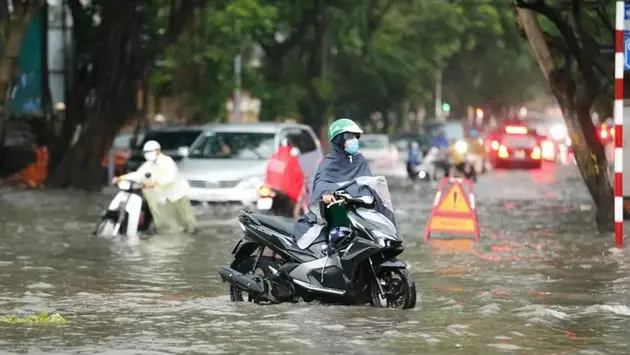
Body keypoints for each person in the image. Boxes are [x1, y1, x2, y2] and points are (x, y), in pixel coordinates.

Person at [294, 118, 374, 243]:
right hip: (337, 211)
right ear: (339, 140)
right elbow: (322, 182)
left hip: (358, 210)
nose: (354, 141)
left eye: (355, 137)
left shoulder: (359, 160)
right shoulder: (329, 162)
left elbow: (368, 182)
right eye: (349, 137)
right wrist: (326, 193)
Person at [112, 140, 197, 234]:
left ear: (157, 151)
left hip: (176, 196)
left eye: (149, 152)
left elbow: (170, 177)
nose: (147, 155)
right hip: (161, 199)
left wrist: (156, 183)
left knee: (187, 223)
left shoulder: (167, 161)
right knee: (167, 225)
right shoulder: (148, 165)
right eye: (145, 153)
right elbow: (139, 174)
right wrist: (121, 178)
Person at [264, 138, 305, 218]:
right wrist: (298, 194)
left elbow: (268, 172)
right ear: (290, 146)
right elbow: (297, 176)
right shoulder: (292, 158)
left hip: (272, 189)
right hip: (287, 193)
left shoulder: (274, 157)